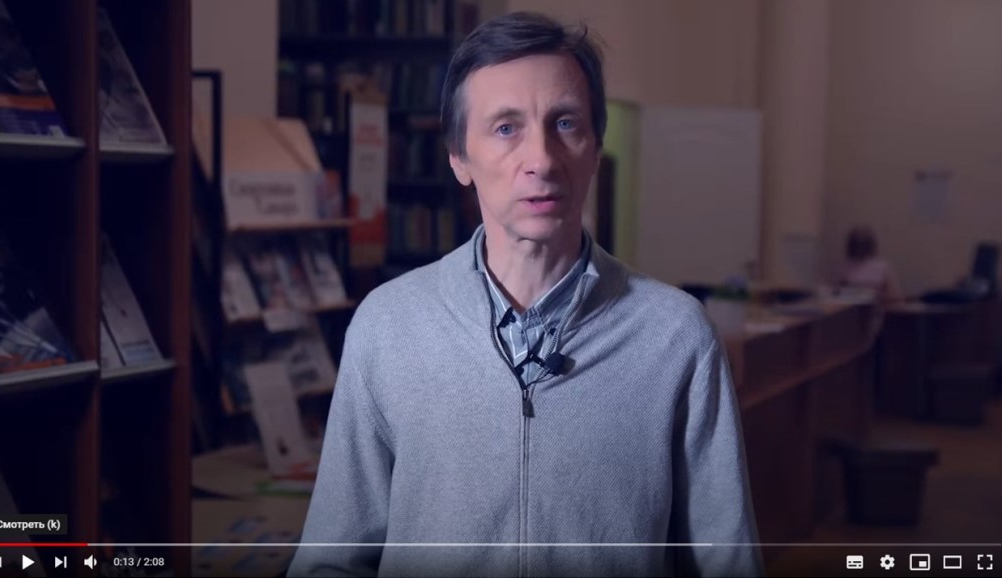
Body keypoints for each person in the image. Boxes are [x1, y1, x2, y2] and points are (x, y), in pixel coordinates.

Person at [288, 12, 762, 578]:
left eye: (565, 123)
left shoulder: (676, 335)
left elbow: (727, 561)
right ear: (458, 157)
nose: (541, 160)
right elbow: (331, 559)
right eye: (506, 128)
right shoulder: (388, 326)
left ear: (595, 148)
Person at [836, 225, 904, 304]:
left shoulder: (882, 267)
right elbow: (839, 292)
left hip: (876, 307)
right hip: (852, 307)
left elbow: (895, 297)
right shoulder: (847, 265)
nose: (860, 248)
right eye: (857, 244)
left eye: (862, 245)